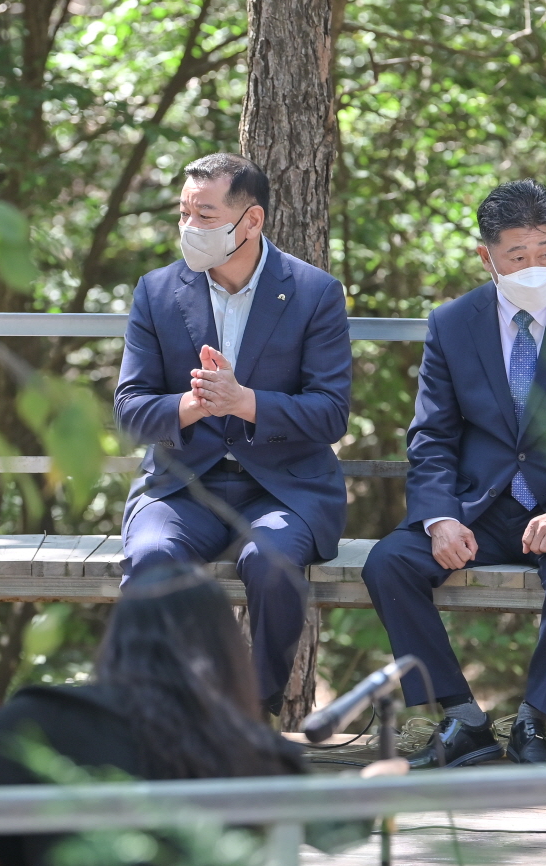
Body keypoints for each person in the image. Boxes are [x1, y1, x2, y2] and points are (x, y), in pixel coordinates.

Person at [360, 179, 546, 768]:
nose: (534, 267)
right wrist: (439, 518)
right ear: (486, 256)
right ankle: (463, 718)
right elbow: (432, 434)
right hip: (478, 509)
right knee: (388, 563)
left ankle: (534, 720)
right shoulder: (453, 323)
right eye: (517, 255)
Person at [0, 563, 386, 866]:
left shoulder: (46, 720)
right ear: (225, 652)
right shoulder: (253, 752)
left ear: (121, 638)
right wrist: (377, 788)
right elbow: (337, 829)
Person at [113, 153, 352, 714]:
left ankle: (253, 709)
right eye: (184, 213)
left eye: (205, 215)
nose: (189, 227)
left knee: (272, 564)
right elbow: (129, 411)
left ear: (251, 220)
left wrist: (246, 402)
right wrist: (192, 406)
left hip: (282, 491)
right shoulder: (156, 291)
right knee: (151, 557)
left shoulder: (315, 292)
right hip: (182, 488)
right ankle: (167, 709)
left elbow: (331, 413)